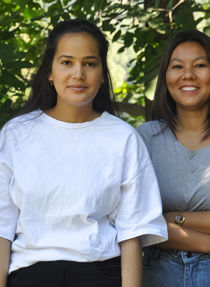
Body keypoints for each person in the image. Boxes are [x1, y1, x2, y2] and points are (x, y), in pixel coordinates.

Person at [0, 19, 167, 287]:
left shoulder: (122, 138)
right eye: (67, 62)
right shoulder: (16, 135)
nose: (78, 73)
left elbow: (132, 234)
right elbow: (2, 229)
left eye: (90, 63)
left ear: (102, 74)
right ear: (50, 72)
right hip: (29, 276)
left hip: (100, 275)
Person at [136, 29, 210, 287]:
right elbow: (137, 222)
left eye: (200, 65)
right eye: (177, 66)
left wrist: (172, 218)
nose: (188, 74)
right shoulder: (145, 139)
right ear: (165, 76)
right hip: (156, 272)